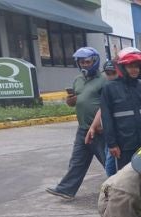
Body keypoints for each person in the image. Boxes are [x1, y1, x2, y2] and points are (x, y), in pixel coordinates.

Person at [46, 47, 106, 201]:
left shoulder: (104, 80)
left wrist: (100, 123)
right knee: (77, 161)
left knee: (108, 162)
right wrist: (71, 100)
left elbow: (108, 104)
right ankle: (66, 189)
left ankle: (123, 188)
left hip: (99, 130)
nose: (84, 65)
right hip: (83, 128)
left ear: (94, 62)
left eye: (87, 62)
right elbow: (73, 102)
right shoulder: (78, 80)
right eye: (81, 62)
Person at [101, 47, 141, 171]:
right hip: (124, 146)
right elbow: (106, 118)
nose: (135, 70)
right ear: (122, 67)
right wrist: (112, 144)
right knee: (126, 179)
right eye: (130, 66)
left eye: (137, 66)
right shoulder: (110, 89)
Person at [85, 60, 120, 176]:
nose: (110, 77)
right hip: (107, 134)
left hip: (119, 135)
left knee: (110, 166)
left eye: (113, 73)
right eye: (108, 74)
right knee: (108, 162)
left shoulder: (121, 89)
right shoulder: (107, 89)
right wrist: (93, 127)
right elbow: (102, 109)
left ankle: (111, 190)